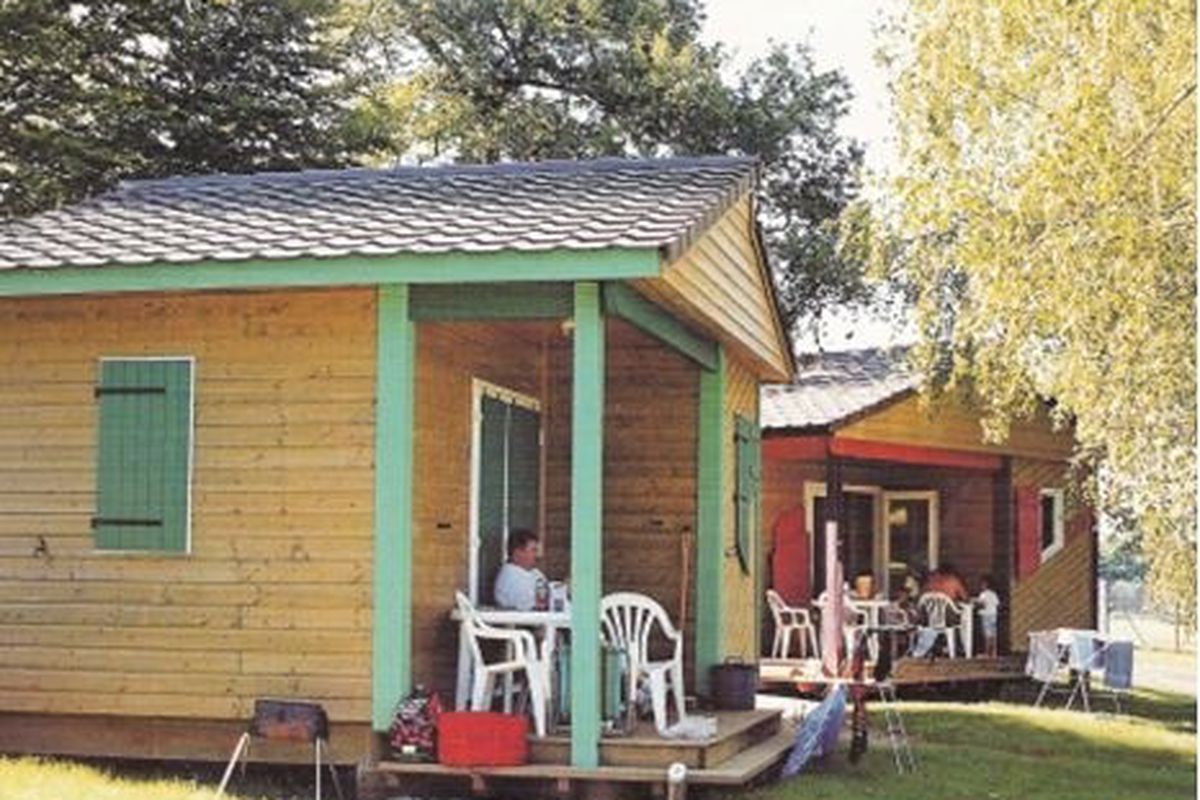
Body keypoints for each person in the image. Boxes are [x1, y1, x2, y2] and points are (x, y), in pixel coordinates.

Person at [494, 529, 549, 611]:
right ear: (518, 553)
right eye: (533, 550)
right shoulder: (509, 576)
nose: (537, 555)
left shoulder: (535, 572)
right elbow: (532, 605)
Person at [977, 574, 1001, 658]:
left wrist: (977, 604)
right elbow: (997, 604)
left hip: (986, 615)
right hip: (993, 615)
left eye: (981, 584)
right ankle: (994, 652)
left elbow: (981, 604)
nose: (980, 586)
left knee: (987, 634)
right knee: (993, 634)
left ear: (985, 585)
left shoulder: (983, 594)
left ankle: (987, 652)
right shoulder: (994, 594)